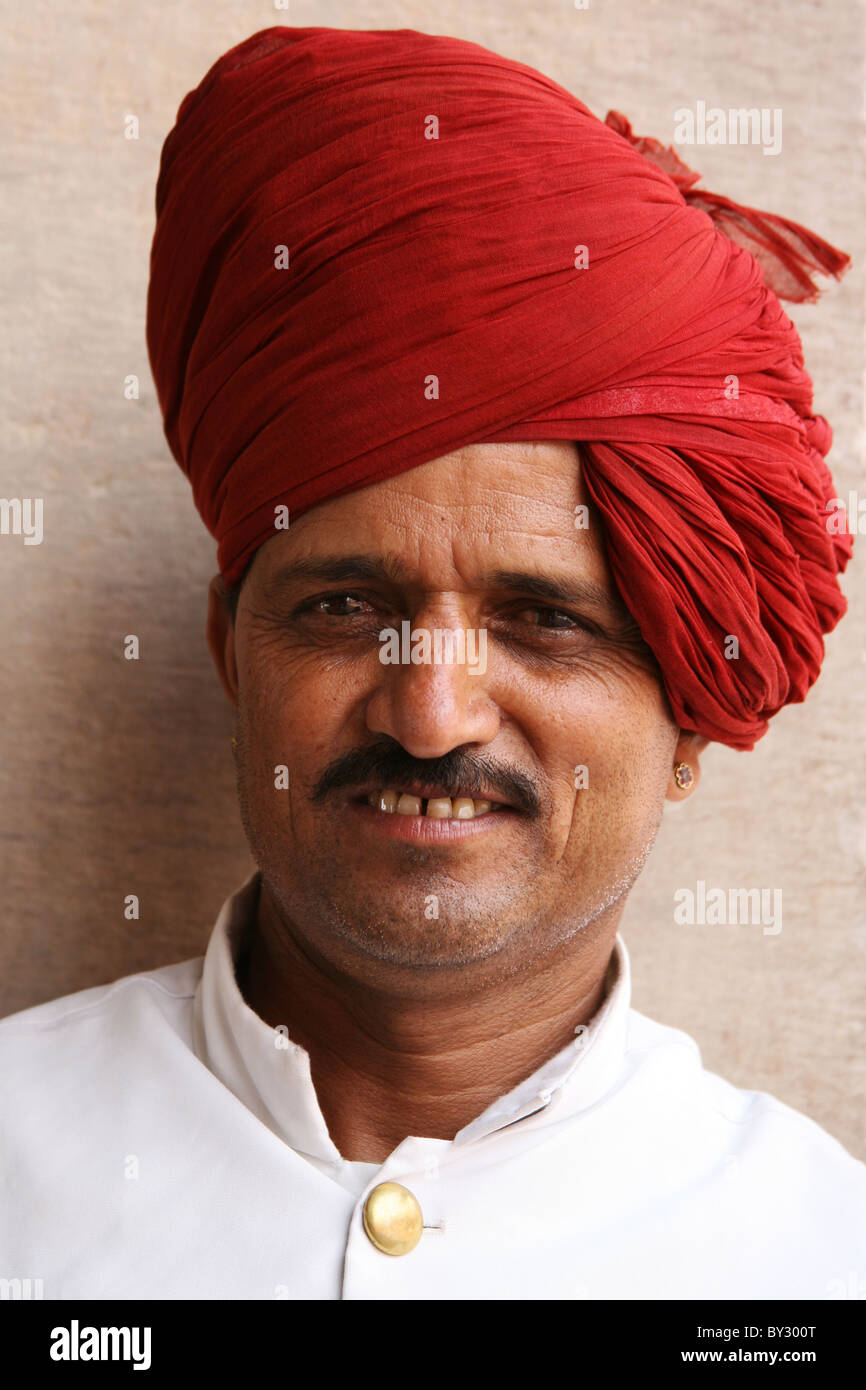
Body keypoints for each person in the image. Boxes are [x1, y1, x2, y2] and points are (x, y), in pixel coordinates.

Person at [1, 24, 863, 1301]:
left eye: (544, 620)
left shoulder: (810, 1256)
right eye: (347, 605)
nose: (431, 712)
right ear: (228, 657)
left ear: (690, 708)